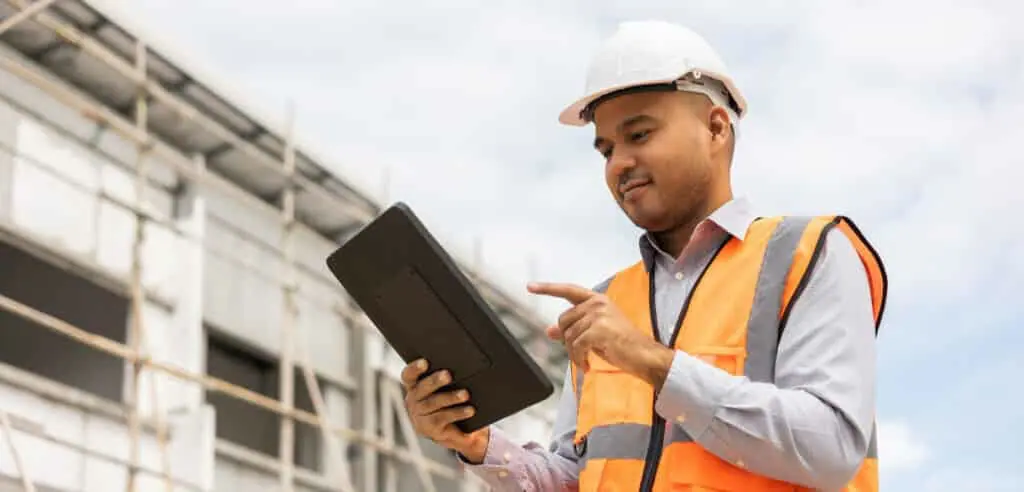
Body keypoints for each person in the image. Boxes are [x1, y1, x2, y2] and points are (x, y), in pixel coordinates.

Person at [400, 20, 888, 492]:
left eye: (639, 135)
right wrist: (478, 444)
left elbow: (830, 450)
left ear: (716, 129)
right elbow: (577, 477)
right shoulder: (608, 304)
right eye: (605, 149)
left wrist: (650, 361)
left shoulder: (809, 254)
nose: (618, 164)